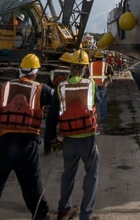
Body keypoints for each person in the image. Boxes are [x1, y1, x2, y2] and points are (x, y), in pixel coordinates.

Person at [0, 53, 53, 220]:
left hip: (5, 140)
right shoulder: (41, 89)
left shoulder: (6, 87)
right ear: (35, 72)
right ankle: (40, 214)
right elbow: (59, 102)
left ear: (20, 70)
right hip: (27, 142)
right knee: (32, 180)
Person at [46, 50, 99, 220]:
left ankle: (63, 209)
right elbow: (96, 100)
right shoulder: (91, 85)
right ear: (85, 67)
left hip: (68, 138)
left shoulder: (61, 88)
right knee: (91, 174)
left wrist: (52, 140)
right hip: (88, 139)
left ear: (70, 66)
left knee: (68, 174)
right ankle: (86, 215)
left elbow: (51, 118)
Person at [89, 50, 110, 120]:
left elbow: (86, 75)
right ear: (102, 58)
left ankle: (91, 116)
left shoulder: (90, 65)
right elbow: (109, 75)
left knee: (91, 101)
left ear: (95, 58)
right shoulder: (106, 65)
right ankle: (103, 116)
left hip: (92, 85)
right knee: (103, 101)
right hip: (102, 85)